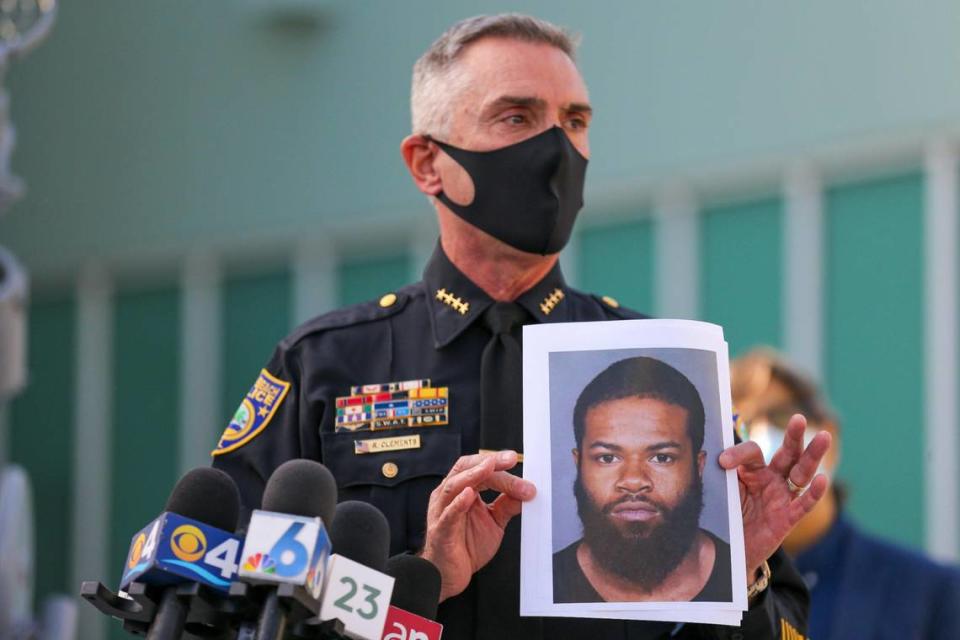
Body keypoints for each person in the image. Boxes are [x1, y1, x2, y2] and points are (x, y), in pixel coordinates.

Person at [212, 14, 831, 639]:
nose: (557, 148)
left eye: (576, 122)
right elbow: (235, 607)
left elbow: (782, 625)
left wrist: (737, 577)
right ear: (428, 162)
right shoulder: (328, 364)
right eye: (518, 117)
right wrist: (423, 579)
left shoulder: (662, 363)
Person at [732, 348, 960, 640]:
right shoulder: (685, 602)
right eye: (739, 428)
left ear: (829, 434)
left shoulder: (931, 594)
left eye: (778, 416)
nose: (759, 440)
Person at [553, 356, 732, 604]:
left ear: (698, 465)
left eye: (661, 457)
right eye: (607, 458)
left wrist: (750, 584)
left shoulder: (747, 569)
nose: (634, 481)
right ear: (579, 463)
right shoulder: (541, 584)